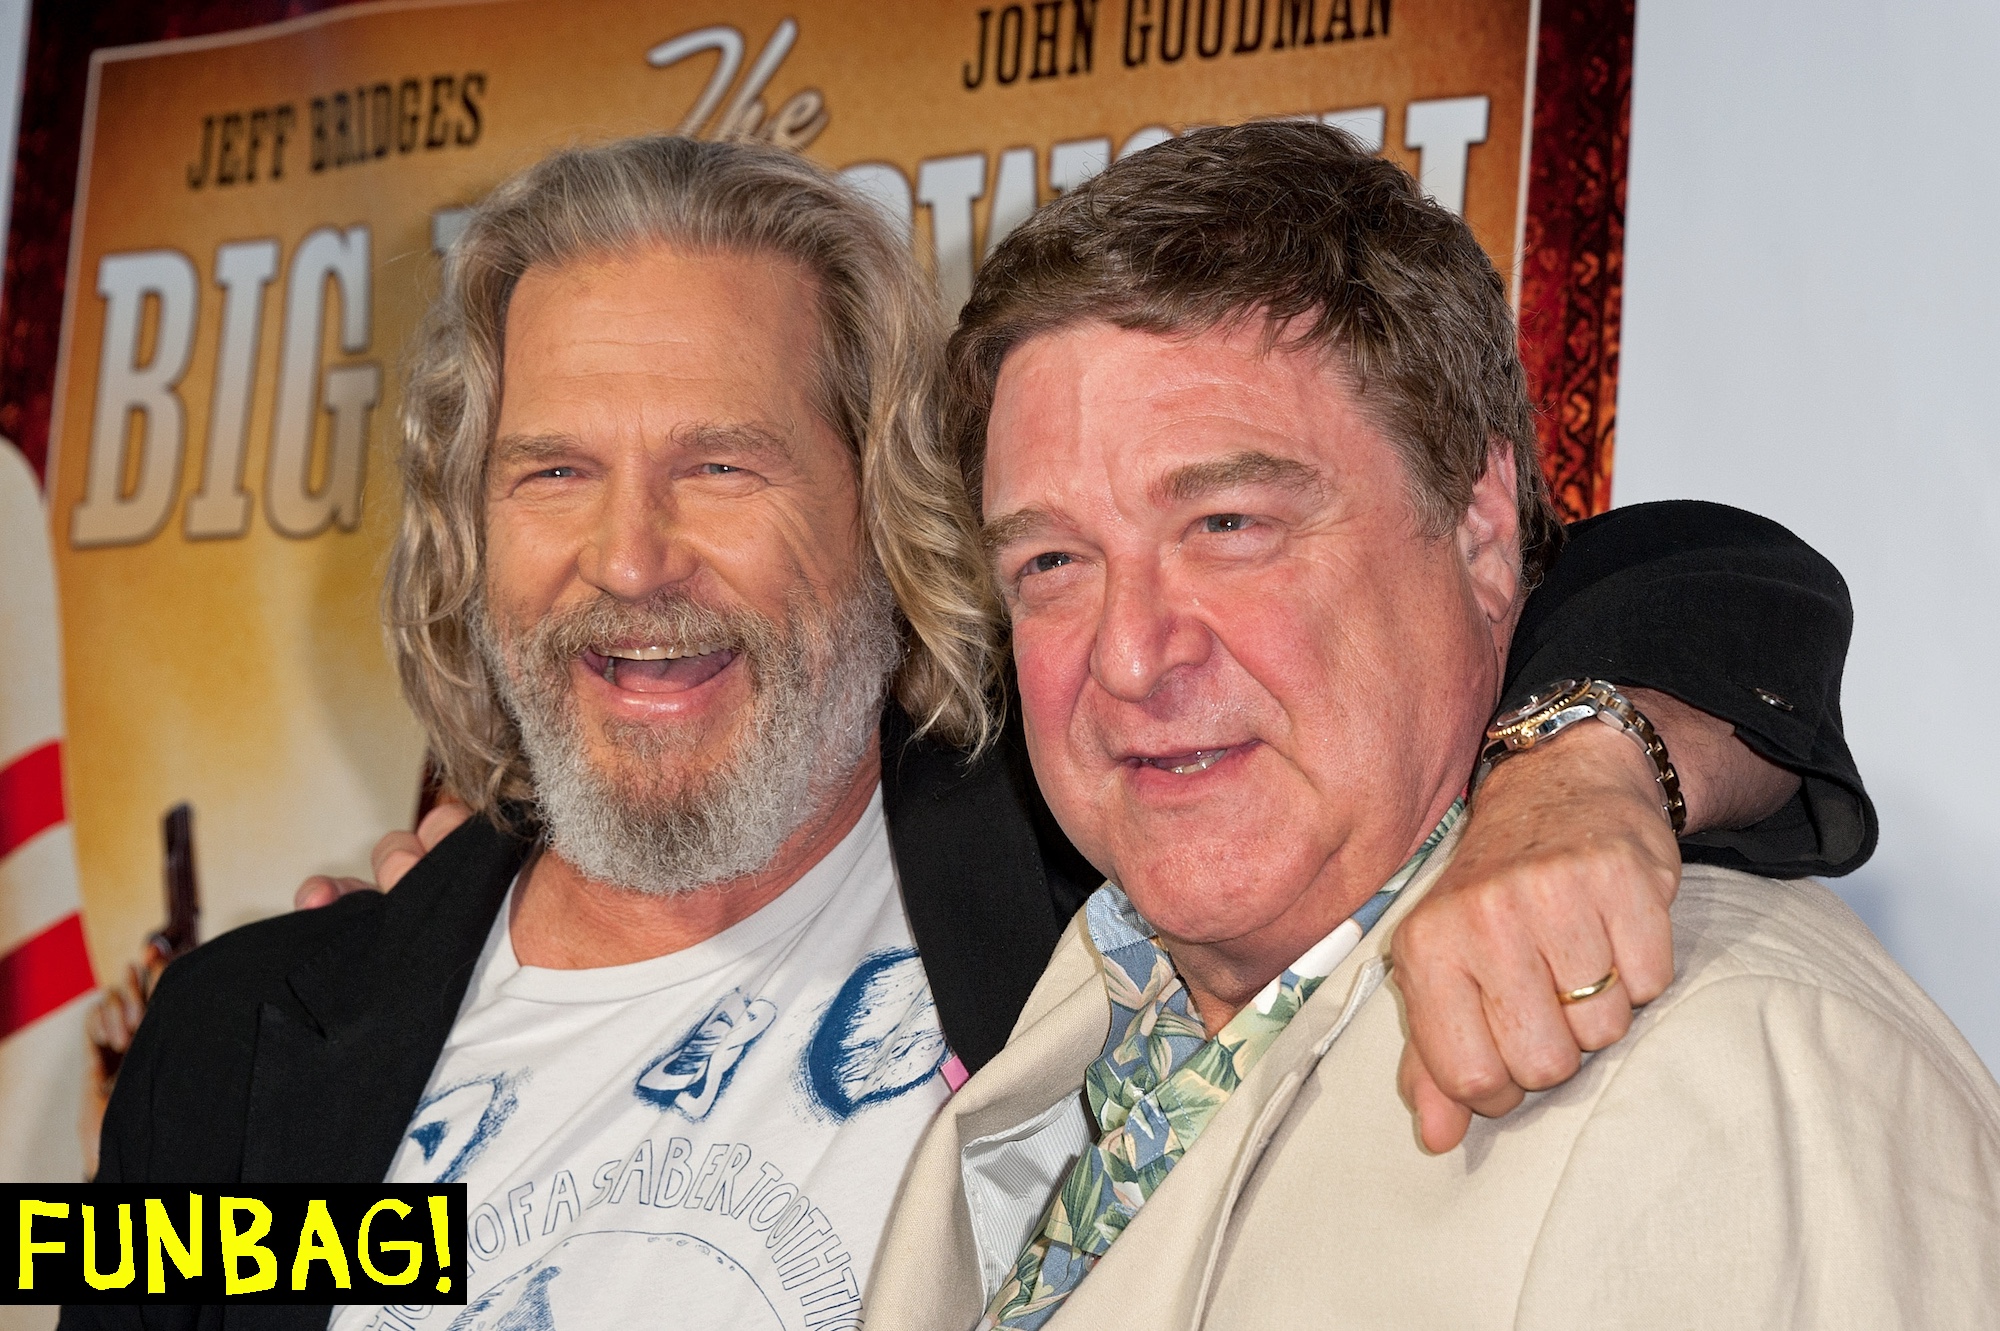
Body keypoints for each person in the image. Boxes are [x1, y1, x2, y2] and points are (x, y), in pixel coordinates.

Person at [77, 135, 1869, 1330]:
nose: (629, 560)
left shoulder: (1079, 854)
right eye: (554, 471)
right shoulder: (255, 1038)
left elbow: (1689, 576)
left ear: (889, 506)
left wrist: (1576, 758)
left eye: (723, 464)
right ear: (472, 524)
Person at [864, 120, 2000, 1330]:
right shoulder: (1074, 1014)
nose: (1131, 654)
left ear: (1477, 529)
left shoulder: (1728, 1071)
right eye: (1051, 558)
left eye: (1229, 525)